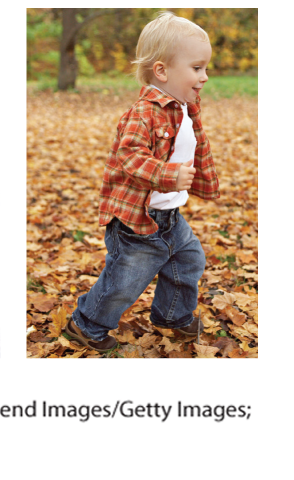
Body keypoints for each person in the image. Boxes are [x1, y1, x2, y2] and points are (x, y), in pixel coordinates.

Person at [64, 12, 219, 353]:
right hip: (137, 222)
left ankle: (172, 317)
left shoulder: (183, 108)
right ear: (162, 70)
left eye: (205, 68)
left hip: (170, 217)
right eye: (196, 68)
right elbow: (129, 157)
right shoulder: (144, 112)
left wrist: (198, 181)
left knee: (188, 260)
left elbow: (193, 147)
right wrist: (168, 176)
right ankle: (85, 325)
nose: (204, 77)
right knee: (125, 281)